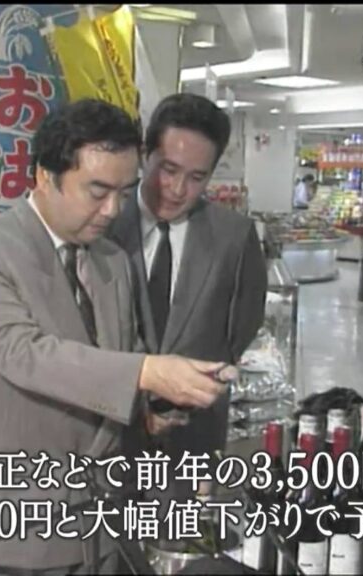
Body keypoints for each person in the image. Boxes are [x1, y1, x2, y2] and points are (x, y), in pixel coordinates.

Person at [0, 99, 227, 575]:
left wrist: (153, 404)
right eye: (97, 191)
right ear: (45, 176)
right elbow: (23, 352)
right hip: (17, 525)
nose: (112, 210)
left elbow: (124, 352)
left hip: (102, 522)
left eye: (124, 192)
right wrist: (146, 372)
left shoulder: (111, 261)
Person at [108, 93, 267, 498]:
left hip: (191, 438)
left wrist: (190, 395)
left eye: (197, 177)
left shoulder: (234, 237)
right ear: (146, 155)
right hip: (108, 432)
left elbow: (241, 328)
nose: (178, 189)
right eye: (168, 169)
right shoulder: (103, 223)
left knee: (181, 530)